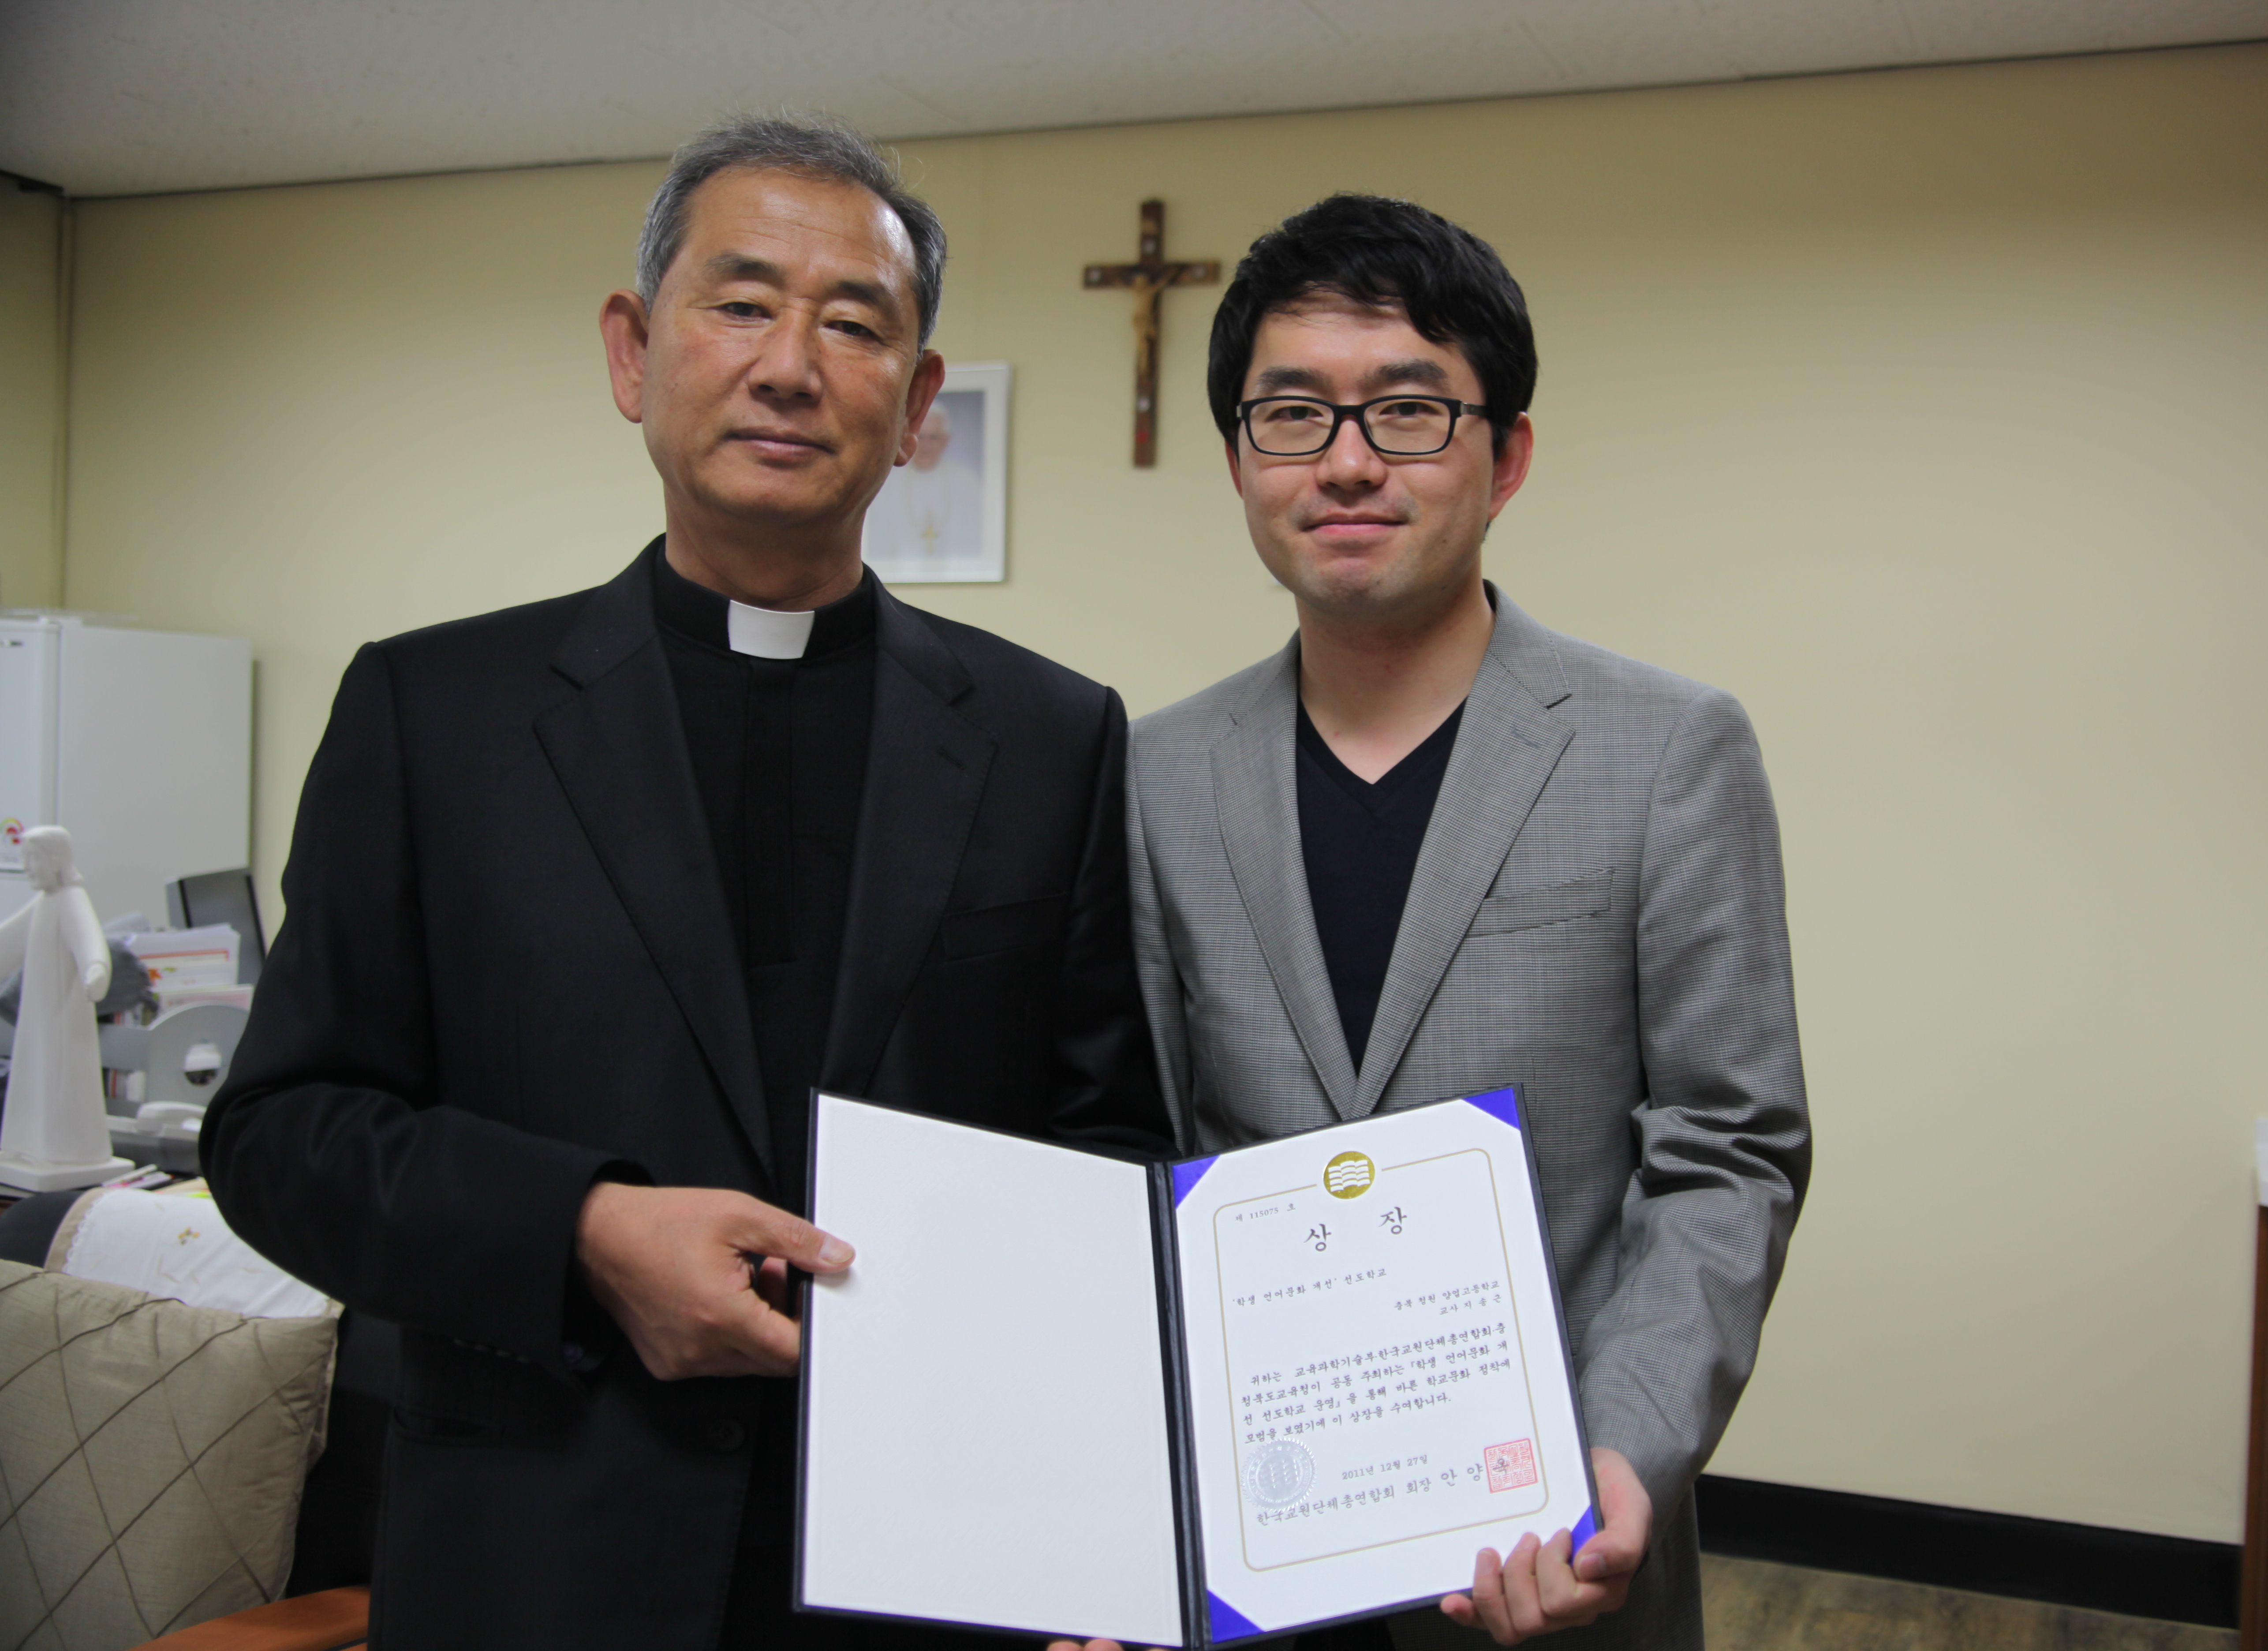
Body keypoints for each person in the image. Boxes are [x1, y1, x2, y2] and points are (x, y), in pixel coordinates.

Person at [203, 114, 1162, 1649]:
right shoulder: (433, 713)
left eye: (854, 324)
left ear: (917, 406)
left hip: (930, 1570)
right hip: (539, 1564)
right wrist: (580, 1229)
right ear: (632, 353)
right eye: (741, 303)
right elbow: (279, 1132)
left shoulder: (1052, 737)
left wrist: (1098, 1519)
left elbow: (1102, 1145)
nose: (790, 365)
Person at [1118, 196, 1811, 1651]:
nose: (1347, 461)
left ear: (1508, 456)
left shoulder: (1666, 751)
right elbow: (1147, 1148)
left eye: (1409, 411)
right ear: (1240, 461)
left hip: (1550, 1550)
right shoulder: (1153, 775)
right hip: (1253, 1555)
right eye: (1292, 414)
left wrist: (1623, 1448)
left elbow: (1726, 1151)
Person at [863, 401, 983, 570]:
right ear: (907, 440)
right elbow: (878, 542)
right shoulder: (886, 482)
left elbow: (975, 541)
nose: (926, 446)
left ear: (946, 441)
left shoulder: (967, 481)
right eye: (920, 437)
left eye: (934, 437)